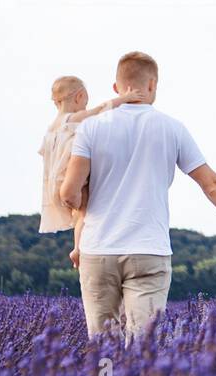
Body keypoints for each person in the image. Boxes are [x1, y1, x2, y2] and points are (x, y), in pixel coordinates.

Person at [59, 51, 216, 340]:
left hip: (98, 250)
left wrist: (80, 215)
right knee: (143, 346)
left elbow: (69, 193)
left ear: (115, 87)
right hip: (149, 250)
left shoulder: (91, 127)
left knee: (102, 345)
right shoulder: (172, 128)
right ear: (152, 86)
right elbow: (212, 184)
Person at [38, 75, 147, 267]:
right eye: (85, 103)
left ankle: (78, 248)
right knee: (84, 213)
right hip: (69, 177)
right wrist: (124, 98)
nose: (86, 108)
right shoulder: (71, 119)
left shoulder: (51, 128)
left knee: (80, 214)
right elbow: (100, 111)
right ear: (79, 97)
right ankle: (78, 249)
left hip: (54, 182)